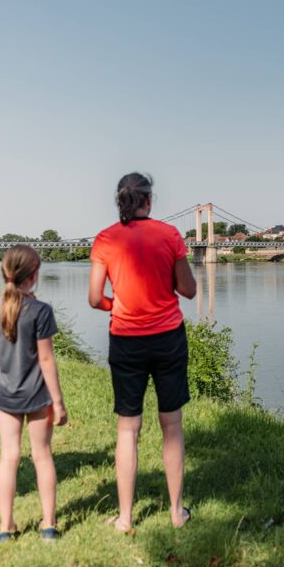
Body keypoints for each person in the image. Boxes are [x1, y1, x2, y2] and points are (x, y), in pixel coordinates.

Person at [88, 172, 197, 532]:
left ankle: (124, 518)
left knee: (127, 428)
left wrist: (116, 304)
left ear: (119, 201)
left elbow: (94, 298)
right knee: (172, 425)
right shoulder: (170, 236)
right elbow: (190, 291)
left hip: (125, 339)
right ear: (148, 201)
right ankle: (177, 513)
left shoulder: (105, 239)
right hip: (167, 338)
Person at [0, 245, 68, 542]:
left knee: (9, 457)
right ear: (33, 276)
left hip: (6, 394)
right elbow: (46, 359)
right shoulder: (41, 310)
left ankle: (6, 527)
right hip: (37, 395)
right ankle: (48, 524)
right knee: (42, 456)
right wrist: (57, 402)